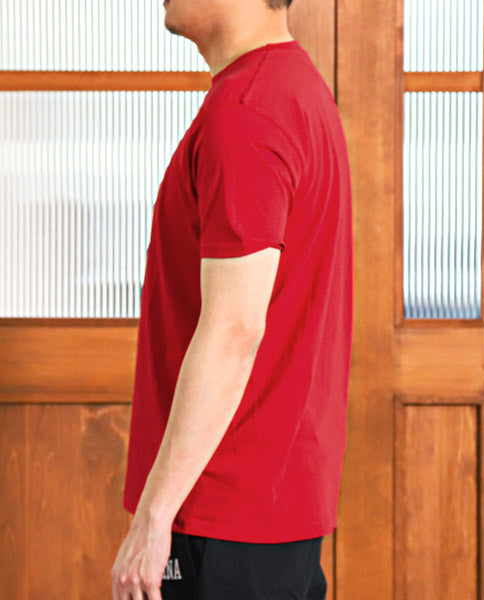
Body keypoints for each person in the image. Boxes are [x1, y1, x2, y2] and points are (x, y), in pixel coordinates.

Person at [111, 0, 353, 598]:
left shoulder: (248, 113)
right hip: (264, 507)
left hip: (223, 514)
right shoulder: (292, 88)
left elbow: (234, 329)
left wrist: (155, 514)